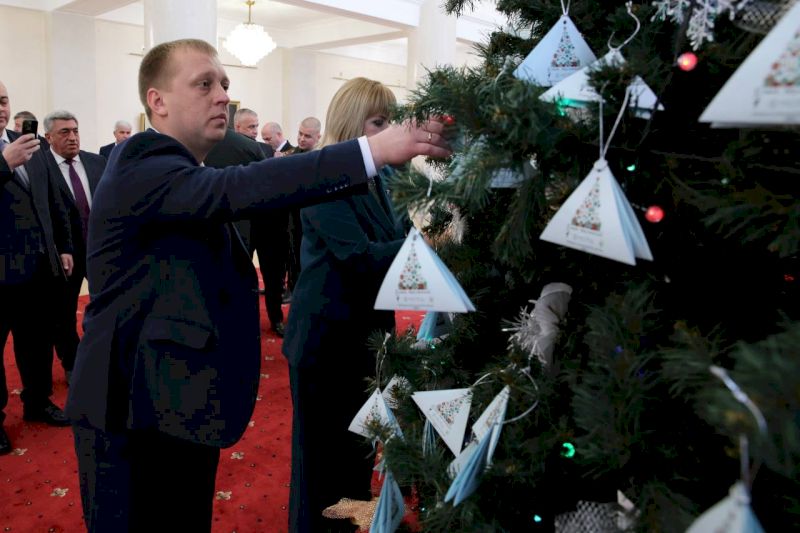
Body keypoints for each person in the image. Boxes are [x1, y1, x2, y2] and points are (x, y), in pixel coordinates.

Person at [63, 38, 450, 532]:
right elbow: (243, 186)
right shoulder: (142, 161)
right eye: (204, 84)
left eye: (224, 84)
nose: (223, 95)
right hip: (131, 409)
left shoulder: (181, 171)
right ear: (157, 101)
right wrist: (371, 150)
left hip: (174, 399)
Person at [282, 77, 407, 532]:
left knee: (359, 452)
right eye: (379, 122)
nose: (389, 131)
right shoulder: (322, 176)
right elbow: (359, 258)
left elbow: (402, 237)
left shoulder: (386, 176)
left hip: (368, 337)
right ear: (353, 123)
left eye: (391, 121)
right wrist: (426, 246)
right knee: (320, 464)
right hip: (325, 342)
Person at [0, 81, 74, 455]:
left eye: (3, 100)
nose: (0, 107)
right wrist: (3, 164)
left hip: (38, 268)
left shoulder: (30, 143)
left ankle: (38, 401)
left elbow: (53, 200)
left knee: (37, 342)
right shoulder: (11, 152)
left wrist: (64, 246)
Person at [43, 110, 106, 383]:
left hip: (101, 249)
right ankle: (73, 363)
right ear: (48, 137)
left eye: (75, 131)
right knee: (64, 313)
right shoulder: (41, 167)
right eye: (64, 132)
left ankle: (106, 356)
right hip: (65, 253)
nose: (72, 137)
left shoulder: (97, 162)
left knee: (107, 305)